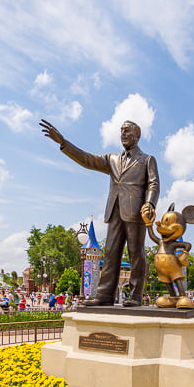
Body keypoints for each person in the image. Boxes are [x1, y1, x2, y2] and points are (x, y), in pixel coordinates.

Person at [41, 118, 158, 307]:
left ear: (137, 135)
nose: (124, 135)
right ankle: (104, 295)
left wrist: (150, 204)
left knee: (136, 253)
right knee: (111, 252)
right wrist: (63, 142)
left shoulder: (147, 160)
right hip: (114, 211)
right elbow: (87, 160)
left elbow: (153, 184)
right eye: (121, 131)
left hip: (136, 212)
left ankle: (136, 296)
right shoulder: (112, 159)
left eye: (127, 131)